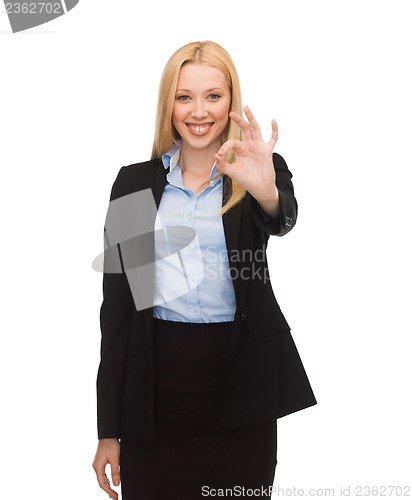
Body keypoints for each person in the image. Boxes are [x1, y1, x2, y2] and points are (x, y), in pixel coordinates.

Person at [92, 40, 317, 500]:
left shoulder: (260, 170)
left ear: (231, 100)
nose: (199, 111)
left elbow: (281, 218)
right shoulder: (134, 183)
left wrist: (265, 190)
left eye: (213, 95)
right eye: (184, 96)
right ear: (168, 104)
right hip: (154, 400)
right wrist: (108, 429)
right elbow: (117, 313)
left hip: (240, 394)